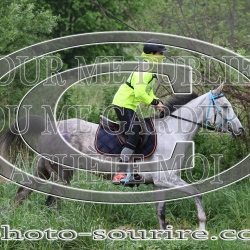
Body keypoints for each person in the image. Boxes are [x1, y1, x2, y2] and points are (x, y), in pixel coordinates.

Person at [111, 38, 168, 185]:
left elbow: (148, 92)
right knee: (135, 134)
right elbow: (140, 94)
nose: (163, 56)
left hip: (129, 105)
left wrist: (159, 103)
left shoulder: (149, 69)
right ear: (152, 53)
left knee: (142, 131)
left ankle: (135, 170)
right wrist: (155, 102)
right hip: (123, 103)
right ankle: (120, 172)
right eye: (160, 53)